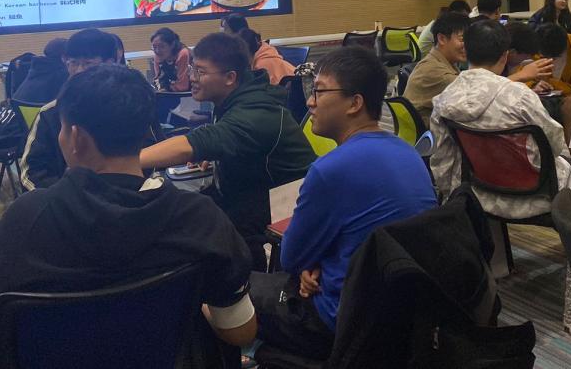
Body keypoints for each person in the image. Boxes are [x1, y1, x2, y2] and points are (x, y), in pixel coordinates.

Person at [0, 64, 257, 367]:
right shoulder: (200, 218)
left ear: (76, 138)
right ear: (145, 131)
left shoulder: (27, 220)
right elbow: (240, 331)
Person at [249, 48, 436, 361]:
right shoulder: (408, 153)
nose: (310, 102)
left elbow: (291, 256)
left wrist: (309, 263)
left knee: (228, 292)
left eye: (320, 91)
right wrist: (315, 263)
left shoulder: (330, 169)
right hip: (401, 316)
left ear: (354, 103)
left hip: (342, 321)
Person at [141, 33, 315, 270]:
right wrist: (219, 154)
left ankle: (239, 287)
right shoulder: (235, 99)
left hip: (283, 206)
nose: (192, 77)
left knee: (194, 234)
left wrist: (128, 161)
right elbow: (221, 138)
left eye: (200, 71)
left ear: (230, 78)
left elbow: (198, 142)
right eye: (192, 69)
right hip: (251, 191)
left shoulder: (257, 112)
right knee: (183, 210)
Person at [430, 20, 571, 219]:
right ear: (504, 55)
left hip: (477, 192)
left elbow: (442, 158)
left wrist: (452, 195)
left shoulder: (444, 99)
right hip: (534, 194)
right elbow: (553, 142)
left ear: (466, 50)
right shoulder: (520, 96)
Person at [21, 28, 124, 191]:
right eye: (73, 63)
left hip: (123, 199)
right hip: (65, 200)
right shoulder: (51, 113)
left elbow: (146, 160)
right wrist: (66, 197)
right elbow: (32, 172)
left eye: (88, 63)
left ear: (110, 63)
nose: (79, 71)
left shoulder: (128, 106)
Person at [404, 11, 470, 128]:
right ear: (442, 38)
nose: (468, 45)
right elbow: (475, 92)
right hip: (430, 135)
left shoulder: (439, 62)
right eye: (462, 39)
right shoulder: (435, 71)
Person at [12, 37, 68, 105]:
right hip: (41, 110)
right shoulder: (62, 74)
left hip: (19, 109)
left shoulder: (36, 68)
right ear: (64, 57)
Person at [151, 26, 192, 92]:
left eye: (162, 46)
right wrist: (161, 89)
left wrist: (165, 90)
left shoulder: (182, 54)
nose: (157, 51)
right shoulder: (157, 56)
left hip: (191, 93)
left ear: (172, 45)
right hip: (171, 91)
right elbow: (158, 78)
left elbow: (183, 86)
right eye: (154, 47)